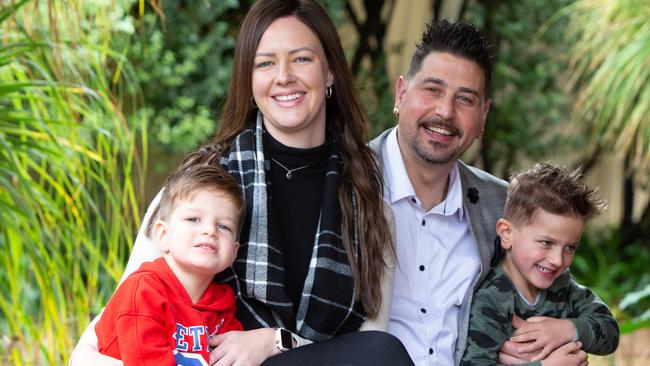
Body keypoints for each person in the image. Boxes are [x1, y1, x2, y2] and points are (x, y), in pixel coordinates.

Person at [70, 0, 412, 365]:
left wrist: (274, 341)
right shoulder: (203, 187)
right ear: (248, 81)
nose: (283, 76)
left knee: (382, 350)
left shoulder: (367, 207)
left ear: (329, 72)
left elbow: (364, 351)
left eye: (301, 59)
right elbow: (93, 346)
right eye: (265, 63)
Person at [369, 19, 587, 366]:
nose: (445, 111)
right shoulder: (344, 182)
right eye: (432, 90)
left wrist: (536, 350)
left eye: (465, 99)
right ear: (401, 94)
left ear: (483, 116)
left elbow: (555, 300)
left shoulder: (504, 207)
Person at [460, 162, 619, 365]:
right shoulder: (491, 300)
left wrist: (569, 330)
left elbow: (610, 331)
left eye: (570, 247)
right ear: (507, 234)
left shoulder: (563, 285)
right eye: (546, 243)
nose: (557, 260)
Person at [95, 150, 244, 365]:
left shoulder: (221, 304)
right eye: (194, 219)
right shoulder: (144, 290)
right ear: (163, 235)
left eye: (223, 226)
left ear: (234, 252)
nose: (210, 231)